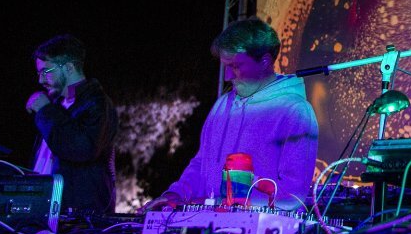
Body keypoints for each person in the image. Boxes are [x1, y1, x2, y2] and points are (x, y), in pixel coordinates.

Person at [145, 17, 318, 210]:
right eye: (225, 67)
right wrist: (176, 194)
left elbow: (293, 197)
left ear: (264, 61)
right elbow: (202, 163)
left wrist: (229, 205)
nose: (227, 76)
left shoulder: (295, 112)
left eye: (235, 66)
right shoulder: (222, 105)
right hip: (209, 230)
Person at [26, 34, 118, 214]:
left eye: (45, 71)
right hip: (45, 210)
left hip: (79, 218)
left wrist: (45, 112)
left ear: (68, 68)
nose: (40, 80)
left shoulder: (97, 103)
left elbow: (80, 148)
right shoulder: (57, 104)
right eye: (38, 73)